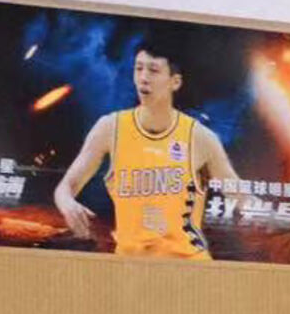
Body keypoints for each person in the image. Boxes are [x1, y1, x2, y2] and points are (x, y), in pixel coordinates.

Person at [45, 36, 235, 257]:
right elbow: (66, 187)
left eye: (153, 71)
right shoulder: (110, 128)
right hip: (130, 265)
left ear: (175, 82)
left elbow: (238, 192)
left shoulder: (201, 137)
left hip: (187, 265)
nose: (143, 78)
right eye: (138, 69)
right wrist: (68, 203)